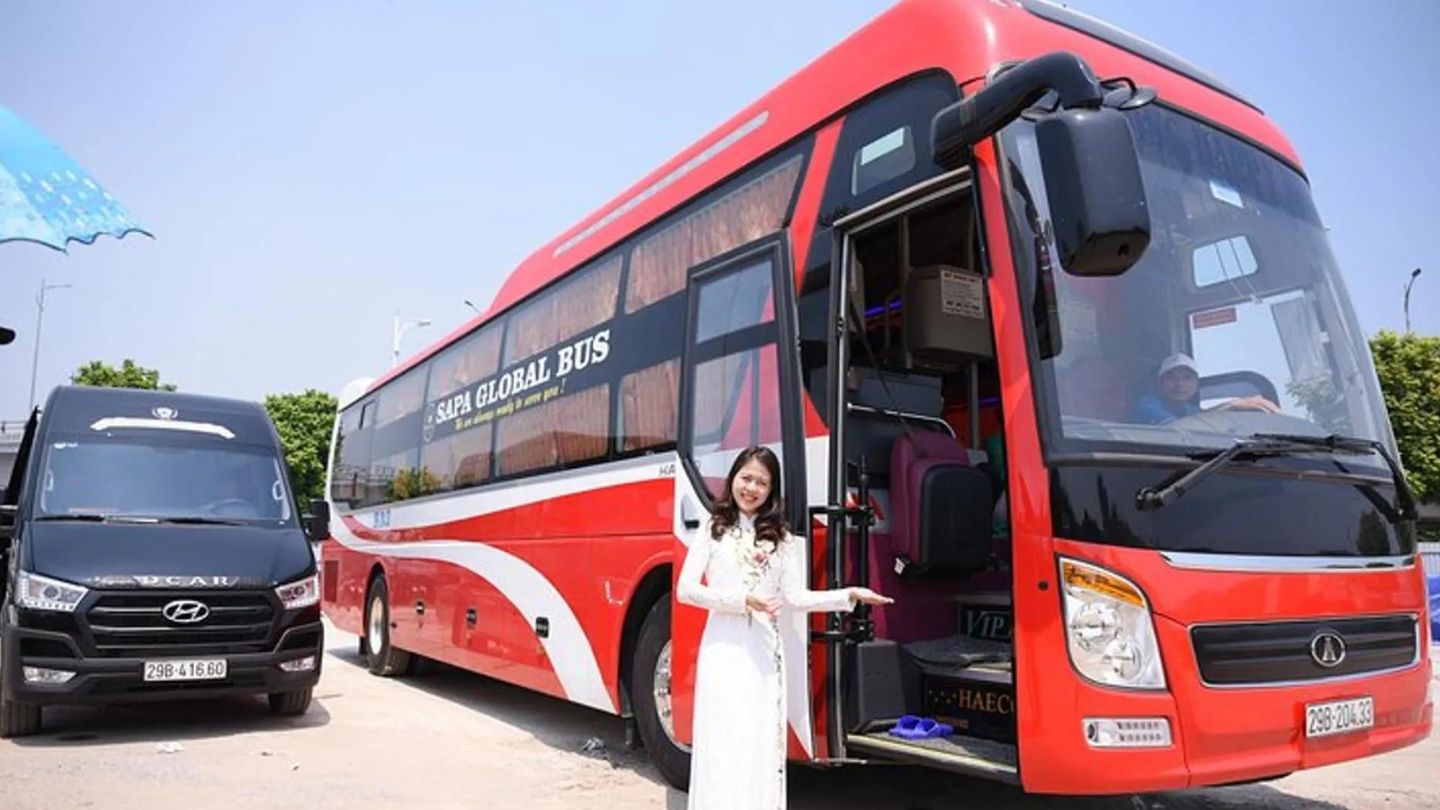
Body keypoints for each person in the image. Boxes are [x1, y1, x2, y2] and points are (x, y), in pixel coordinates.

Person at [677, 446, 891, 810]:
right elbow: (686, 590)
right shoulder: (713, 528)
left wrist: (848, 595)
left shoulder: (782, 538)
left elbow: (796, 597)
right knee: (722, 738)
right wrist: (741, 600)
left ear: (771, 490)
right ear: (732, 479)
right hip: (723, 650)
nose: (751, 488)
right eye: (746, 478)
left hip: (763, 654)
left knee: (757, 741)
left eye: (761, 482)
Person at [1130, 352, 1280, 425]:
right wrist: (1232, 405)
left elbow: (1204, 420)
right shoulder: (1147, 406)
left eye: (1187, 378)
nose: (1180, 384)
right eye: (1171, 378)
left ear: (1196, 384)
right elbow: (1179, 428)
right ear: (1160, 384)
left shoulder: (1190, 410)